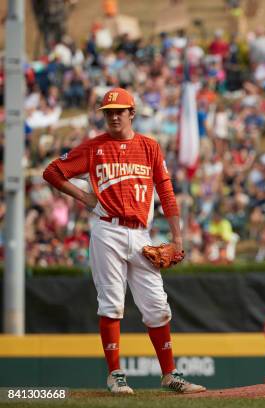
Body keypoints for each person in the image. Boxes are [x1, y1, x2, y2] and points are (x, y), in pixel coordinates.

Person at [42, 88, 205, 394]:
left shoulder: (149, 147)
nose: (114, 116)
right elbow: (52, 171)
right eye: (108, 112)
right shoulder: (94, 147)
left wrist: (178, 236)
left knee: (158, 306)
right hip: (108, 230)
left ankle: (170, 375)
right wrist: (85, 197)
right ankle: (115, 374)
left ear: (132, 113)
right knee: (112, 303)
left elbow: (166, 193)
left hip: (141, 234)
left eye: (120, 111)